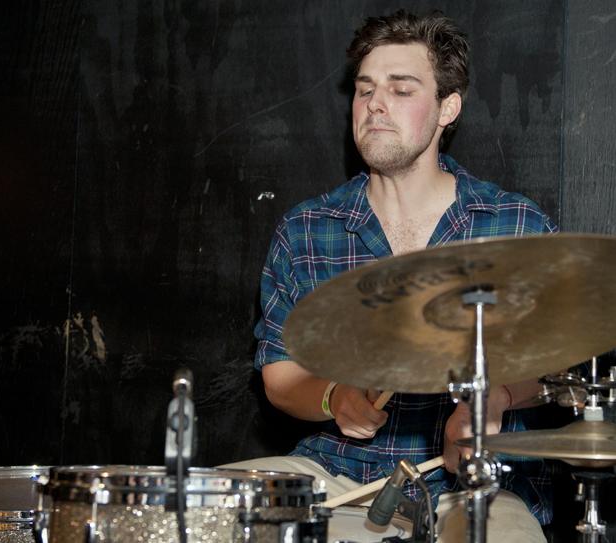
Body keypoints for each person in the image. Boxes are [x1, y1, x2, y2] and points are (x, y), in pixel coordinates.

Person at [225, 9, 557, 542]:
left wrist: (491, 399)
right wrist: (335, 396)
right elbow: (281, 378)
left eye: (401, 89)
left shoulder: (514, 226)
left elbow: (552, 364)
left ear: (448, 107)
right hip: (336, 473)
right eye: (365, 89)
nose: (375, 103)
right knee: (212, 511)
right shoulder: (308, 228)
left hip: (474, 485)